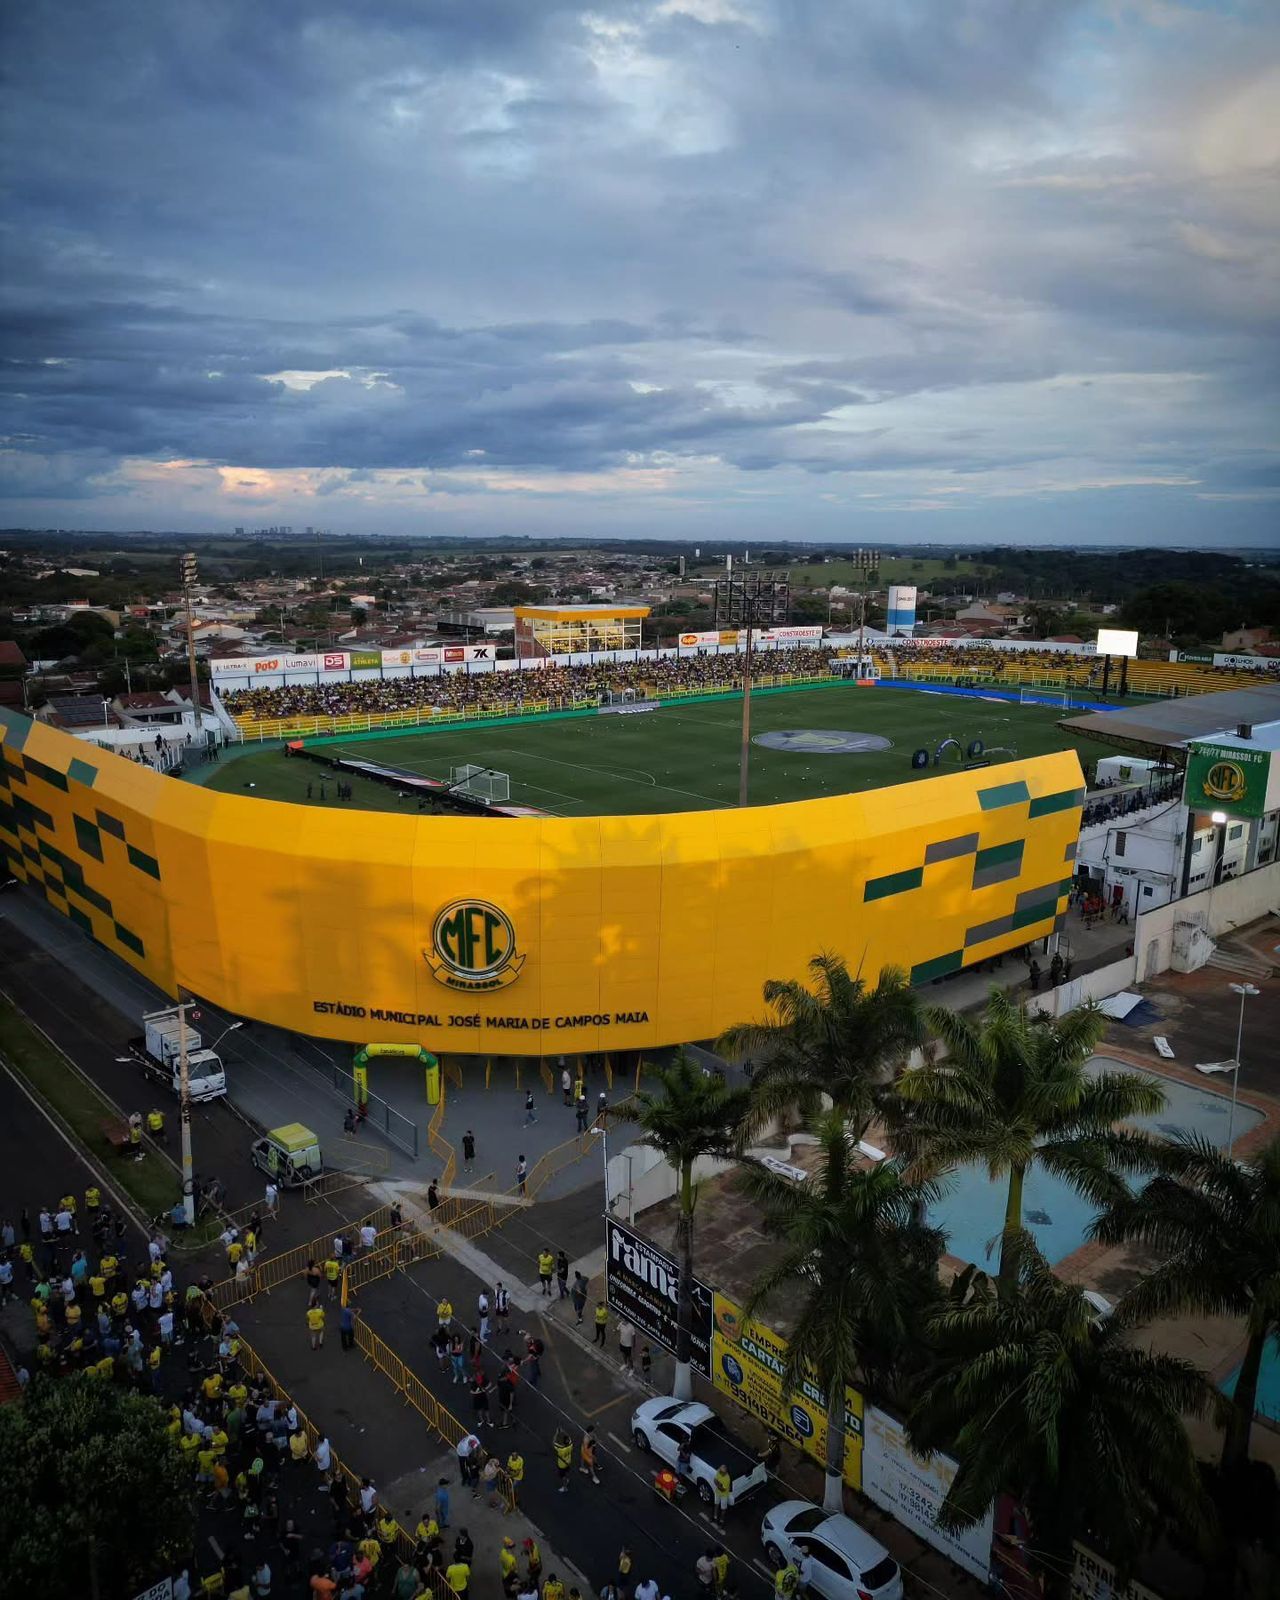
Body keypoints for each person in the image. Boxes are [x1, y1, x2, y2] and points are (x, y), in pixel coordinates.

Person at [553, 1428, 573, 1493]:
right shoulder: (570, 1445)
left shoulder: (561, 1449)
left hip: (562, 1465)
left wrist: (557, 1433)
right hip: (568, 1462)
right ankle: (567, 1480)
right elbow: (569, 1437)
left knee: (562, 1476)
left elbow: (553, 1442)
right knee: (566, 1472)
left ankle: (564, 1487)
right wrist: (563, 1431)